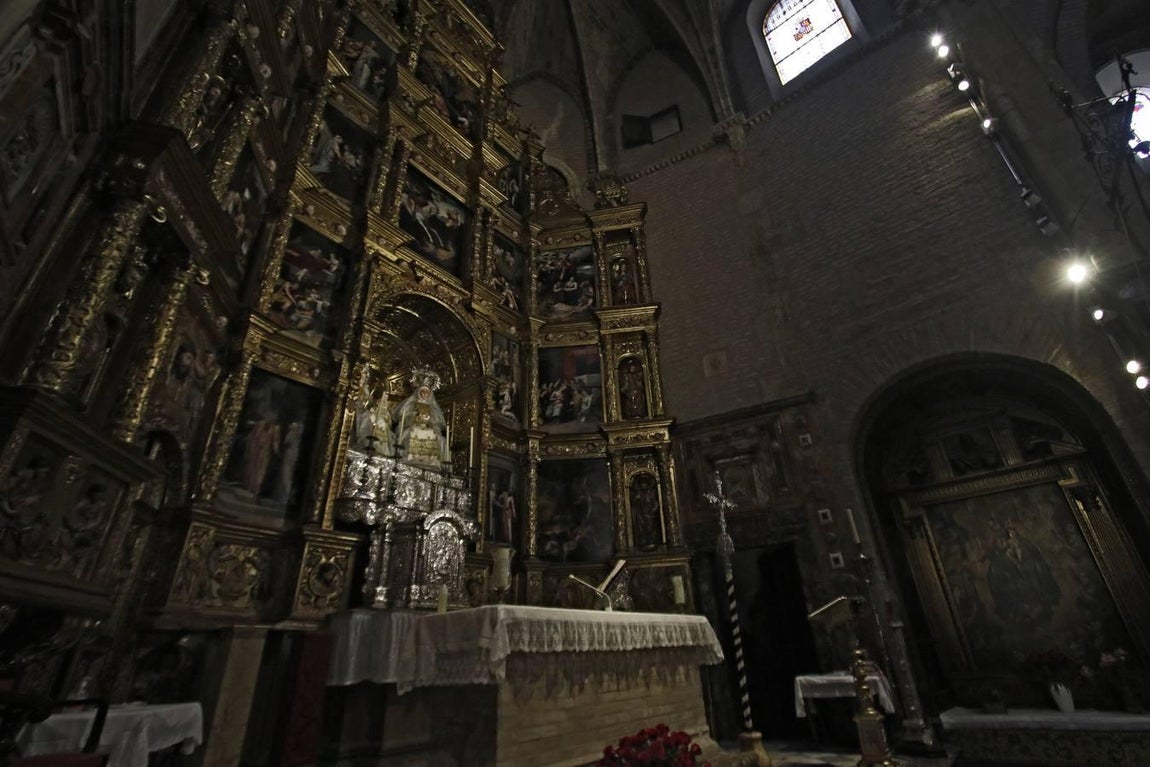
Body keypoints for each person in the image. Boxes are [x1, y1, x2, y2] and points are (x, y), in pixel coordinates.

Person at [393, 384, 449, 469]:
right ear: (419, 392)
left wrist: (430, 422)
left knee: (436, 436)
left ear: (429, 394)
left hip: (427, 428)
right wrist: (415, 417)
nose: (424, 394)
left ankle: (430, 461)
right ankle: (410, 458)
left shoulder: (432, 408)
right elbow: (404, 416)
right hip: (413, 426)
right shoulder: (412, 404)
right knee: (410, 433)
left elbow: (436, 422)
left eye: (427, 392)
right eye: (423, 391)